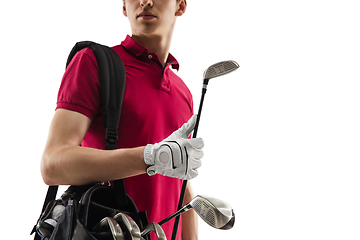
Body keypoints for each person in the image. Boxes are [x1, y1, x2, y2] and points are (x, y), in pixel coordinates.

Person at [40, 0, 204, 239]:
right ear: (125, 7)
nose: (145, 2)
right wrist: (149, 157)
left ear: (180, 6)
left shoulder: (183, 93)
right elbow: (52, 163)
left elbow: (181, 184)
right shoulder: (93, 62)